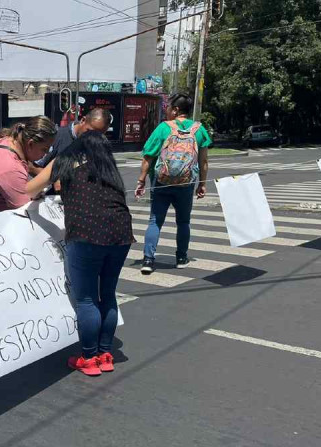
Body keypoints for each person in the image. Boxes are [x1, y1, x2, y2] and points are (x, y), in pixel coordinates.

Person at [54, 131, 135, 376]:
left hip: (86, 236)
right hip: (121, 234)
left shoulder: (69, 167)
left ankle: (88, 358)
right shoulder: (111, 174)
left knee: (86, 299)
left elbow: (31, 188)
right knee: (108, 294)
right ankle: (105, 354)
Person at [134, 93, 211, 273]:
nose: (166, 110)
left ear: (175, 110)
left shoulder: (163, 128)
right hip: (186, 185)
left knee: (155, 221)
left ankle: (148, 260)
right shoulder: (199, 130)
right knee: (183, 222)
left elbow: (148, 157)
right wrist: (202, 184)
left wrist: (141, 180)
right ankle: (182, 258)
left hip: (161, 183)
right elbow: (204, 162)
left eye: (168, 107)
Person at [35, 107, 111, 168]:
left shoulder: (98, 147)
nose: (92, 137)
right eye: (89, 131)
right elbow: (32, 166)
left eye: (98, 135)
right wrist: (52, 180)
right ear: (83, 120)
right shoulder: (57, 137)